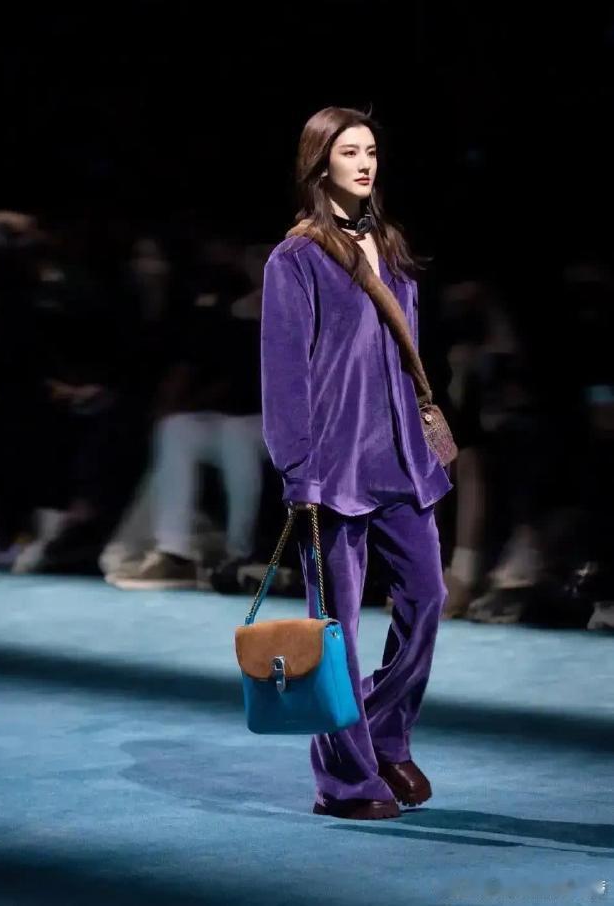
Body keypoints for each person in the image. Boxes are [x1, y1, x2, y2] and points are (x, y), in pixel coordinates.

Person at [260, 106, 453, 821]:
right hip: (332, 467)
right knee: (334, 625)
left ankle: (382, 733)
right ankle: (343, 779)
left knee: (428, 597)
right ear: (320, 164)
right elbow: (285, 375)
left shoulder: (389, 245)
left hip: (401, 458)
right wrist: (299, 470)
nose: (365, 162)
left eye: (371, 149)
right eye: (349, 151)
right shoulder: (296, 259)